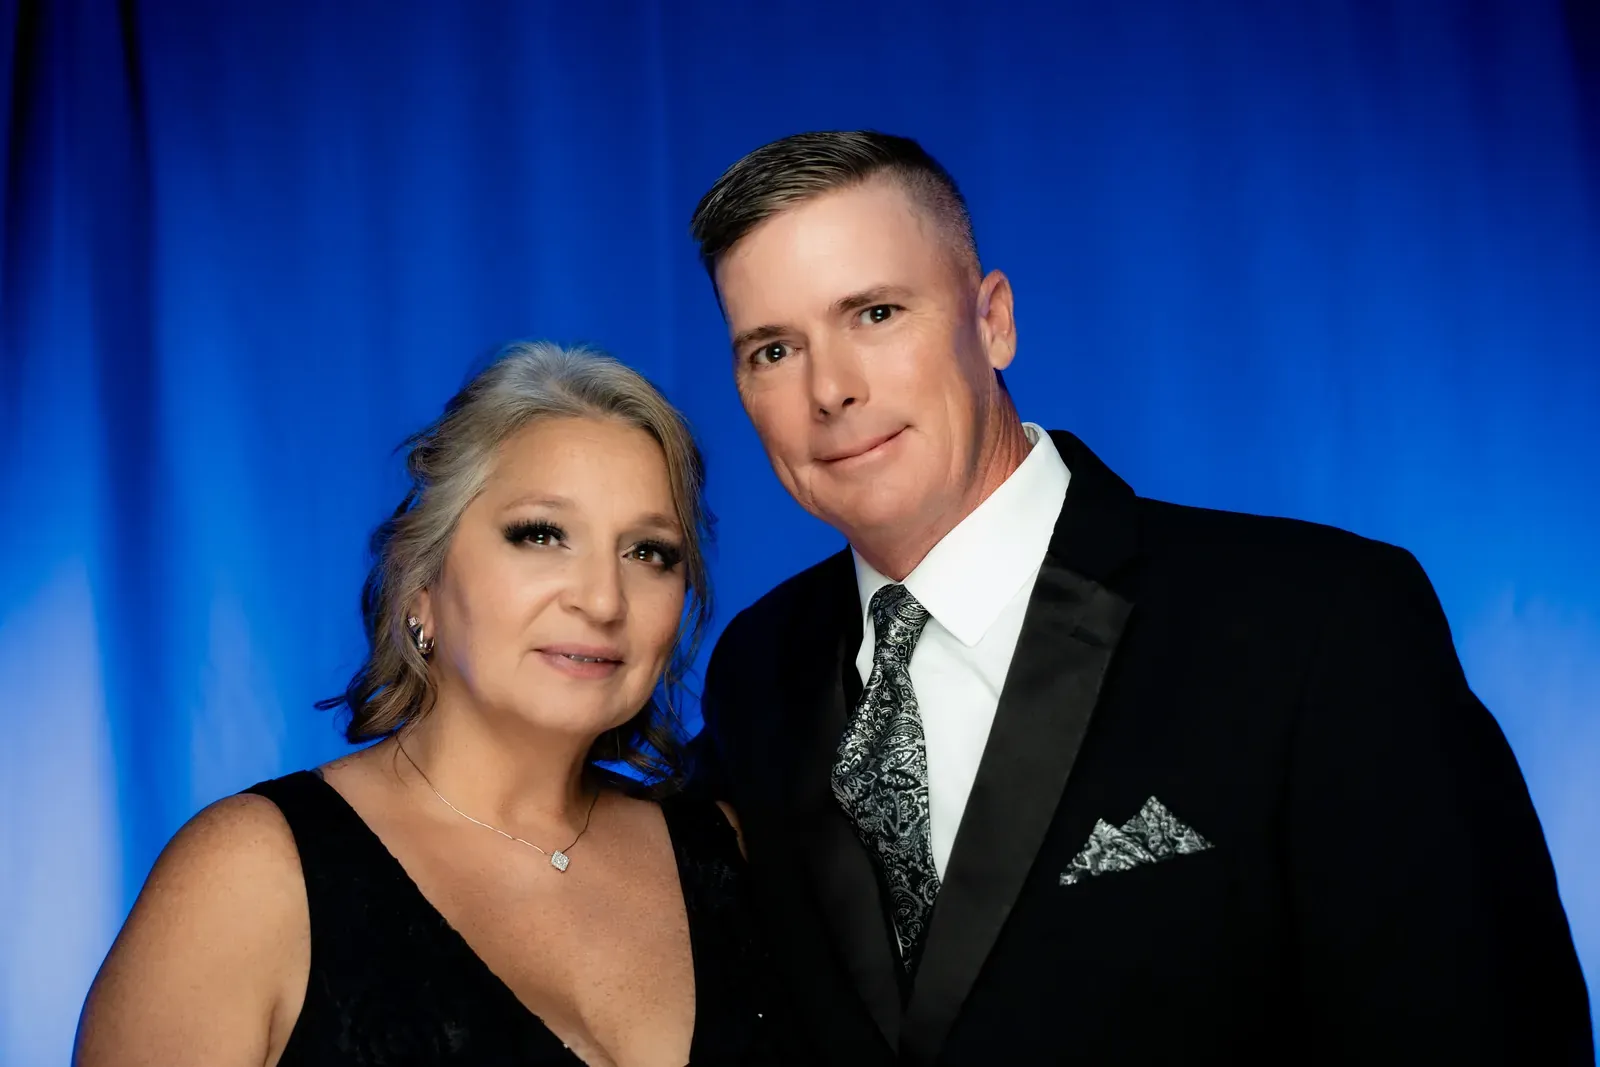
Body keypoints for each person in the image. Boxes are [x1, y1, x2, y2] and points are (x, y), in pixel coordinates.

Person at [687, 131, 1593, 1066]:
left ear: (993, 320)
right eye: (772, 349)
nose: (830, 389)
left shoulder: (1321, 622)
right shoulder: (762, 668)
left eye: (875, 312)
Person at [76, 343, 778, 1067]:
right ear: (422, 586)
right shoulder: (249, 875)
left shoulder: (732, 856)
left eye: (649, 552)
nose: (601, 599)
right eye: (541, 534)